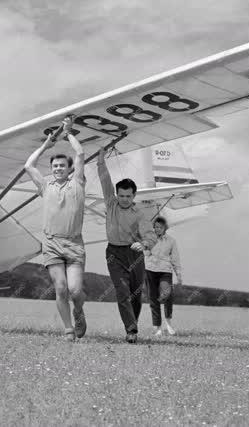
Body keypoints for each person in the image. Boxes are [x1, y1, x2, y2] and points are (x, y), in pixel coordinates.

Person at [25, 116, 88, 342]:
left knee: (75, 291)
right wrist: (46, 145)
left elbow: (80, 154)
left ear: (70, 169)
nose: (58, 168)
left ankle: (79, 311)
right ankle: (68, 330)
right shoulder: (45, 185)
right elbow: (28, 166)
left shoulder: (77, 183)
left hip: (74, 244)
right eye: (55, 166)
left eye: (62, 166)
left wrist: (69, 132)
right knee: (60, 288)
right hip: (51, 243)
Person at [97, 147, 157, 343]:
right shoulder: (111, 204)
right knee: (122, 290)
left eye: (128, 196)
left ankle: (133, 324)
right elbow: (105, 180)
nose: (124, 199)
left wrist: (145, 244)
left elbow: (150, 235)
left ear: (133, 196)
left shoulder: (139, 213)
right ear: (116, 195)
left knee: (135, 294)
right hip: (114, 253)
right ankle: (131, 330)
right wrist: (100, 159)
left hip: (134, 253)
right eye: (121, 195)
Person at [145, 216, 182, 336]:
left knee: (167, 295)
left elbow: (175, 259)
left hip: (165, 271)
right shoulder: (149, 239)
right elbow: (145, 253)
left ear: (165, 228)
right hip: (150, 270)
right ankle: (157, 327)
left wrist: (179, 274)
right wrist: (146, 245)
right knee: (153, 298)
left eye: (160, 227)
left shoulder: (171, 241)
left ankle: (168, 322)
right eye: (155, 227)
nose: (157, 229)